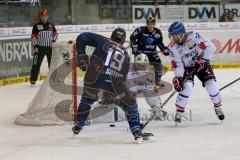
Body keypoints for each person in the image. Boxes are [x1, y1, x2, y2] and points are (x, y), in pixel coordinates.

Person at [72, 28, 154, 143]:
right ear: (123, 40)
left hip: (94, 76)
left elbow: (82, 37)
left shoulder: (103, 40)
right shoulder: (125, 53)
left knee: (87, 99)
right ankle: (136, 131)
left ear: (112, 35)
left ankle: (78, 126)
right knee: (130, 105)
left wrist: (81, 56)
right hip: (114, 81)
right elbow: (123, 77)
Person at [168, 22, 225, 126]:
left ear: (181, 34)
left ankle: (218, 107)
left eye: (174, 35)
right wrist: (179, 77)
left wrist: (203, 57)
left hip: (202, 63)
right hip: (187, 68)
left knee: (211, 83)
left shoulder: (195, 36)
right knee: (187, 86)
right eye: (171, 35)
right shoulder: (173, 48)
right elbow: (178, 65)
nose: (173, 38)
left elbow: (210, 47)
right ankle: (179, 112)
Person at [130, 17, 169, 87]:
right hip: (141, 52)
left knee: (158, 65)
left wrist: (164, 49)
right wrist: (135, 49)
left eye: (152, 24)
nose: (151, 26)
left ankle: (157, 82)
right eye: (149, 24)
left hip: (152, 52)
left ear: (154, 24)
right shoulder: (140, 30)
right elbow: (132, 38)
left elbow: (160, 43)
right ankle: (139, 82)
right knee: (142, 66)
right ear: (147, 24)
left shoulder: (158, 32)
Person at [30, 9, 58, 86]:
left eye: (45, 16)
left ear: (47, 16)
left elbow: (55, 34)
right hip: (40, 48)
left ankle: (54, 79)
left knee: (52, 64)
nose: (44, 17)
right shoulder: (36, 26)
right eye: (42, 16)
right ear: (40, 16)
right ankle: (33, 80)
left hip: (50, 48)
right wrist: (35, 46)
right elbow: (33, 37)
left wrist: (53, 41)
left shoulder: (51, 25)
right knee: (36, 64)